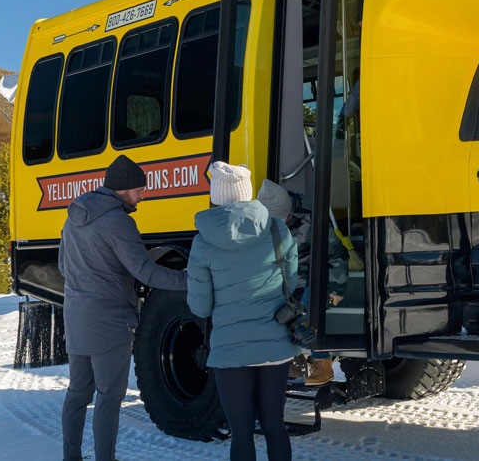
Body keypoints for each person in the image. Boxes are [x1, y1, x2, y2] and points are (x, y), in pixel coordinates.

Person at [58, 155, 188, 461]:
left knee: (78, 393)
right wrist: (190, 280)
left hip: (77, 318)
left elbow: (64, 266)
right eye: (139, 190)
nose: (143, 195)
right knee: (109, 397)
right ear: (123, 189)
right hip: (110, 322)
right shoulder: (118, 222)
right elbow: (147, 273)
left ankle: (71, 457)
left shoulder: (75, 216)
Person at [188, 162, 305, 461]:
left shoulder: (203, 242)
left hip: (230, 351)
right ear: (246, 191)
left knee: (241, 433)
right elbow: (289, 284)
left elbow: (200, 306)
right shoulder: (277, 229)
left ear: (217, 195)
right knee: (274, 426)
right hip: (275, 345)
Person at [256, 179, 352, 385]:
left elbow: (337, 257)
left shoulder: (311, 222)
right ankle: (289, 362)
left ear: (287, 211)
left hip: (312, 279)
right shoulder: (263, 226)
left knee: (307, 309)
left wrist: (337, 288)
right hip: (284, 282)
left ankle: (322, 363)